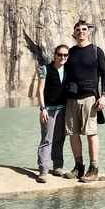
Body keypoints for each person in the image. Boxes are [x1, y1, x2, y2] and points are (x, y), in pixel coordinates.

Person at [62, 19, 105, 183]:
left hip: (90, 97)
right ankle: (78, 166)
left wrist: (103, 95)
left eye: (84, 29)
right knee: (73, 133)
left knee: (91, 132)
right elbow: (60, 67)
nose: (81, 31)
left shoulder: (96, 51)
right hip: (72, 97)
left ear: (88, 32)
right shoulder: (71, 52)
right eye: (78, 29)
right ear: (74, 33)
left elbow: (104, 74)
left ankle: (93, 168)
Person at [36, 44, 69, 182]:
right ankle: (43, 170)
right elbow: (40, 90)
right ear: (55, 55)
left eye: (65, 55)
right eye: (60, 54)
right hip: (48, 109)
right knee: (46, 139)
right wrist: (42, 108)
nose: (62, 57)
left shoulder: (68, 70)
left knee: (59, 138)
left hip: (63, 108)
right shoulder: (46, 69)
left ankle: (57, 166)